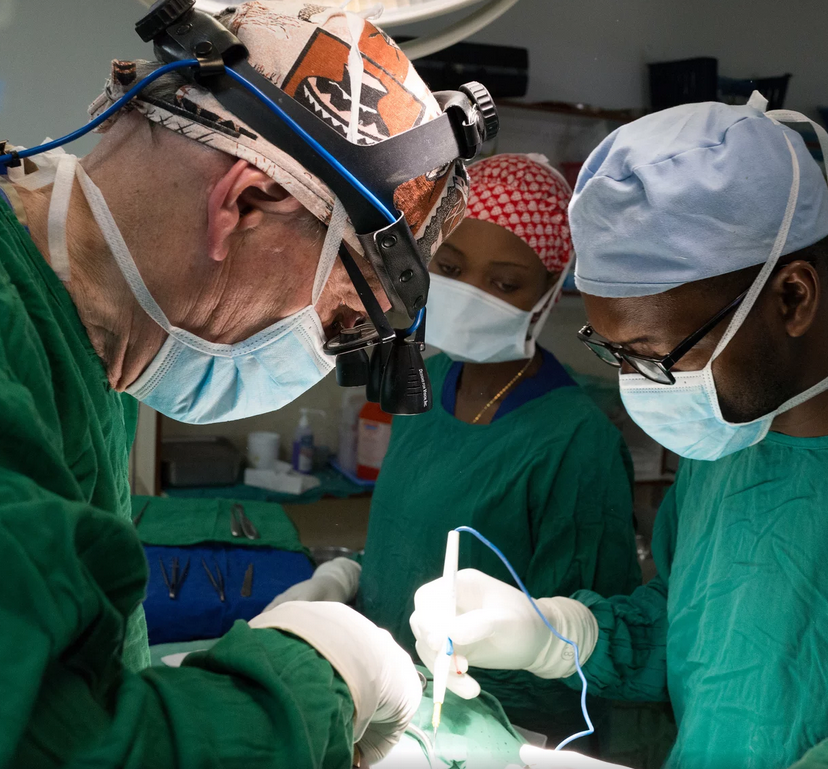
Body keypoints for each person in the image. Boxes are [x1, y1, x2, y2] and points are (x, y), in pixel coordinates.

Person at [410, 96, 828, 768]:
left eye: (656, 355)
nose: (639, 382)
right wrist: (562, 636)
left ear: (792, 296)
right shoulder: (727, 430)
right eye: (614, 351)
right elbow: (699, 633)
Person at [0, 3, 472, 766]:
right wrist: (316, 679)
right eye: (340, 318)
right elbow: (43, 746)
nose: (323, 351)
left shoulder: (76, 335)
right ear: (245, 203)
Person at [267, 153, 643, 746]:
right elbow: (410, 544)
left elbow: (587, 640)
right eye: (450, 266)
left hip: (500, 726)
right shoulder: (423, 384)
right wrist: (348, 579)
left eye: (505, 283)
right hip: (383, 697)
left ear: (550, 291)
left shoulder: (576, 441)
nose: (470, 293)